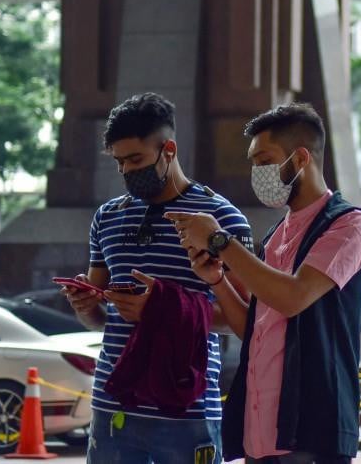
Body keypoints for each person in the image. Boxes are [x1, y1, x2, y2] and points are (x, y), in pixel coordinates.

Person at [165, 103, 361, 464]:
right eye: (253, 162)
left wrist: (220, 241)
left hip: (310, 433)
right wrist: (216, 279)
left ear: (300, 159)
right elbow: (253, 326)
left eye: (264, 161)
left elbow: (294, 297)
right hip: (260, 435)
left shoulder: (349, 226)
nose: (256, 173)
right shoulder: (277, 234)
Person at [61, 93, 253, 463]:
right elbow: (100, 319)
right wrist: (85, 305)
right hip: (113, 403)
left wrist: (161, 309)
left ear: (168, 149)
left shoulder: (220, 219)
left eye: (136, 160)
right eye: (119, 163)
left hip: (188, 406)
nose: (127, 172)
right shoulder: (107, 217)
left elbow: (242, 319)